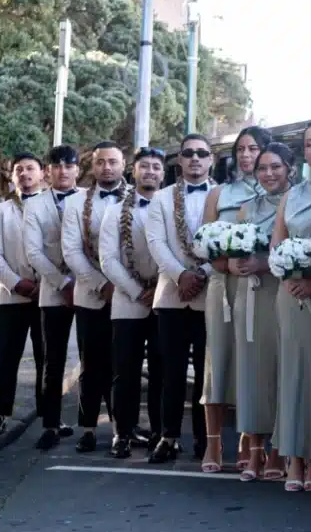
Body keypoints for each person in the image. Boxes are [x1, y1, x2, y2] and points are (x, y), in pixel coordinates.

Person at [271, 120, 311, 493]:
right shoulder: (291, 195)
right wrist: (288, 272)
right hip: (292, 294)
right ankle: (296, 457)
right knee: (295, 374)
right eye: (310, 144)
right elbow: (278, 244)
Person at [200, 126, 268, 473]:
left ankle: (248, 439)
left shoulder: (276, 193)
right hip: (222, 287)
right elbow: (204, 243)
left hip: (258, 287)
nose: (245, 155)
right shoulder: (219, 194)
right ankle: (213, 446)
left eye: (253, 148)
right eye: (240, 149)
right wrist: (224, 262)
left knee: (251, 365)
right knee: (219, 364)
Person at [146, 133, 215, 464]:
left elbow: (230, 242)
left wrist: (203, 275)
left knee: (206, 372)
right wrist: (181, 276)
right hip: (172, 295)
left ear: (211, 159)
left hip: (210, 294)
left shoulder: (223, 195)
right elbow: (156, 242)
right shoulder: (161, 198)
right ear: (179, 160)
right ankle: (168, 436)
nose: (195, 159)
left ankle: (206, 439)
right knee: (170, 372)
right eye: (188, 153)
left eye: (202, 153)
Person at [99, 147, 166, 459]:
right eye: (144, 167)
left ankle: (160, 433)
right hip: (128, 301)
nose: (150, 171)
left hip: (167, 299)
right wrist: (137, 291)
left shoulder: (170, 208)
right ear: (134, 172)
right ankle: (122, 433)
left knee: (162, 371)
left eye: (155, 167)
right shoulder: (115, 211)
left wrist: (162, 288)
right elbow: (108, 259)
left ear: (163, 173)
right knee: (124, 371)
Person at [229, 142, 289, 482]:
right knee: (251, 373)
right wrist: (237, 263)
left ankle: (279, 450)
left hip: (279, 292)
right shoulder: (246, 208)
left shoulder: (296, 203)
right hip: (248, 295)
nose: (269, 174)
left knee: (279, 372)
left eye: (276, 167)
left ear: (289, 169)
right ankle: (253, 451)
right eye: (263, 168)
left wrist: (264, 263)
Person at [60, 141, 126, 452]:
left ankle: (120, 430)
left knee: (121, 367)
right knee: (90, 365)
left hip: (129, 297)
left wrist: (124, 286)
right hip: (90, 296)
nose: (107, 167)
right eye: (101, 162)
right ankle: (86, 428)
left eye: (113, 161)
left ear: (123, 165)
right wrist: (101, 285)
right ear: (93, 166)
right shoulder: (75, 203)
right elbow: (71, 251)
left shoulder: (138, 201)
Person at [0, 153, 47, 437]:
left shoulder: (53, 207)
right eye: (19, 170)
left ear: (42, 174)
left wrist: (48, 284)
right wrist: (16, 283)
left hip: (48, 296)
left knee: (47, 359)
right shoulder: (2, 210)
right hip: (12, 297)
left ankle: (50, 418)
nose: (24, 173)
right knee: (8, 357)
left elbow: (62, 250)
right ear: (12, 176)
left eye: (30, 168)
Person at [23, 144, 82, 449]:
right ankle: (51, 424)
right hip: (53, 289)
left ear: (77, 170)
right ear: (48, 171)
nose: (62, 171)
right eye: (56, 166)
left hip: (89, 289)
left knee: (92, 358)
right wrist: (63, 282)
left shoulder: (89, 199)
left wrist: (83, 281)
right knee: (52, 359)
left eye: (68, 165)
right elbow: (33, 251)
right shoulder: (35, 205)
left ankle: (89, 426)